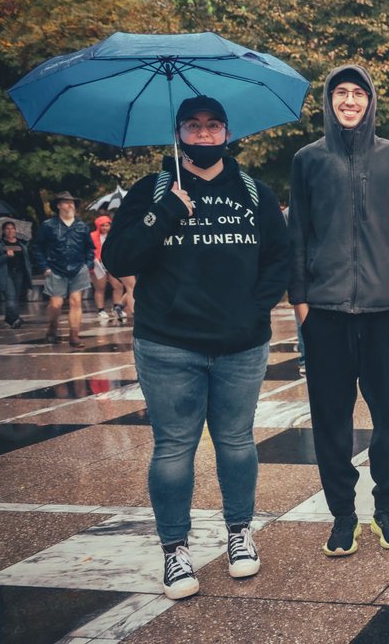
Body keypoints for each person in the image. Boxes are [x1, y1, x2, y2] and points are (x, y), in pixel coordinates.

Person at [103, 95, 290, 600]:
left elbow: (280, 257)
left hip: (240, 344)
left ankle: (239, 534)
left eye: (213, 125)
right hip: (168, 344)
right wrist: (164, 212)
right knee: (173, 448)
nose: (204, 134)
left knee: (236, 442)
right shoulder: (152, 190)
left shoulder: (254, 191)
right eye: (193, 126)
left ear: (227, 133)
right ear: (178, 134)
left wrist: (254, 309)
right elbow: (117, 257)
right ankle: (175, 550)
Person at [288, 64, 389, 558]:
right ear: (329, 101)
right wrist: (302, 304)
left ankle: (386, 509)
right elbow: (297, 236)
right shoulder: (308, 160)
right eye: (341, 93)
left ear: (370, 101)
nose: (349, 100)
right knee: (331, 420)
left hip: (382, 310)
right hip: (324, 311)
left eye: (358, 93)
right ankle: (343, 515)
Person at [33, 191, 94, 348]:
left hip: (78, 268)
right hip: (55, 268)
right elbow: (37, 247)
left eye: (72, 202)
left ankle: (74, 335)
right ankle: (53, 327)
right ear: (59, 205)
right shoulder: (48, 225)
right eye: (66, 202)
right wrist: (44, 266)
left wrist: (87, 265)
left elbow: (89, 247)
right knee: (56, 303)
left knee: (76, 301)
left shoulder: (82, 226)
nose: (70, 205)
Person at [0, 222, 32, 329]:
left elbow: (26, 259)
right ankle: (15, 319)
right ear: (3, 231)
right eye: (7, 229)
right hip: (6, 274)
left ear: (15, 230)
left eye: (12, 228)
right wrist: (6, 256)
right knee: (10, 297)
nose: (10, 231)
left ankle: (9, 319)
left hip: (19, 274)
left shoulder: (21, 243)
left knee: (15, 298)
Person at [90, 215, 128, 323]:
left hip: (111, 264)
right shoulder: (92, 236)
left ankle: (116, 307)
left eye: (107, 225)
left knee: (118, 286)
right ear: (98, 226)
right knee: (100, 288)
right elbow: (89, 249)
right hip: (98, 264)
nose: (105, 228)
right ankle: (101, 310)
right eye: (102, 225)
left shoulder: (113, 235)